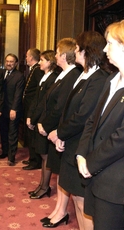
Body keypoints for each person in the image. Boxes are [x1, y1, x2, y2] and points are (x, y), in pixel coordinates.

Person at [43, 31, 109, 229]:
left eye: (78, 48)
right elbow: (70, 109)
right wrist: (62, 134)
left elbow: (83, 115)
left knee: (82, 202)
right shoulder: (85, 75)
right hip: (71, 143)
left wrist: (60, 133)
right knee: (77, 202)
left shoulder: (98, 78)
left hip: (81, 145)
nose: (76, 51)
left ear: (87, 51)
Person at [76, 20, 124, 230]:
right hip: (97, 175)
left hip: (116, 182)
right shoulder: (111, 79)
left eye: (110, 43)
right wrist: (81, 154)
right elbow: (92, 122)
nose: (105, 49)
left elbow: (121, 138)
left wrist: (90, 163)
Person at [28, 38, 81, 200]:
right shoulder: (63, 74)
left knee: (52, 162)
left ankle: (46, 189)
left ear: (64, 56)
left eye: (57, 53)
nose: (55, 56)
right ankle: (43, 187)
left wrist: (45, 124)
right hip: (49, 124)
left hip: (55, 127)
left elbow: (60, 106)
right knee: (48, 159)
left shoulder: (72, 75)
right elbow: (46, 100)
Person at [26, 50, 58, 170]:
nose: (39, 62)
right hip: (37, 116)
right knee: (39, 150)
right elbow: (36, 99)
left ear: (50, 62)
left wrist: (34, 119)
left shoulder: (52, 78)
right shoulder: (44, 76)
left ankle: (44, 185)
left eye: (42, 60)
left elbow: (44, 102)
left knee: (44, 153)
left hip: (43, 118)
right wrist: (30, 116)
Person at [0, 53, 25, 166]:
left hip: (13, 109)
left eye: (11, 62)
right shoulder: (2, 73)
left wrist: (14, 109)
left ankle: (11, 156)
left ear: (16, 63)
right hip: (2, 109)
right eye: (7, 61)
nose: (9, 63)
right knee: (3, 131)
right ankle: (5, 151)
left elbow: (18, 95)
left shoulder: (19, 76)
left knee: (12, 133)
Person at [22, 48, 44, 170]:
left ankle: (35, 161)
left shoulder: (37, 70)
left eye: (26, 56)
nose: (26, 58)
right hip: (29, 106)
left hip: (33, 107)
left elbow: (38, 91)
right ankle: (32, 158)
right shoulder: (34, 69)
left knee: (32, 135)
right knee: (29, 135)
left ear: (31, 57)